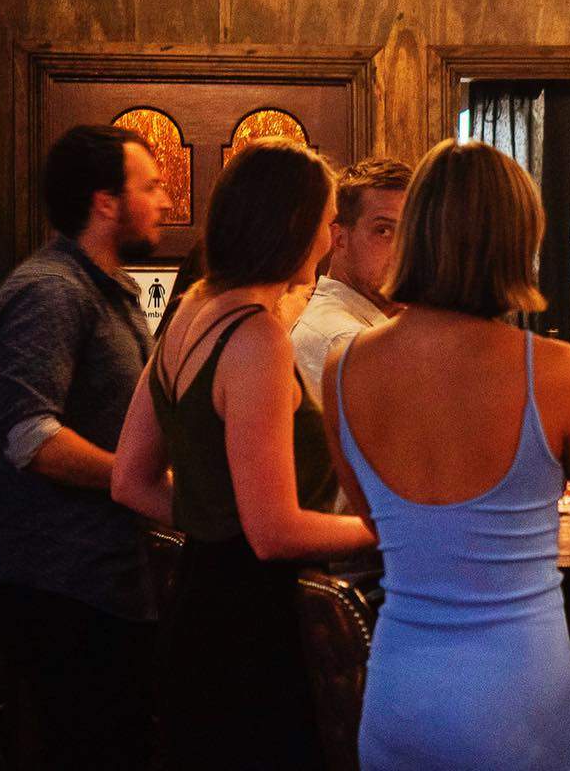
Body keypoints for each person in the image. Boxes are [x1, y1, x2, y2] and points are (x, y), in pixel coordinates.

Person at [323, 140, 570, 770]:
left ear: (414, 232)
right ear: (519, 242)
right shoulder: (557, 372)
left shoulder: (342, 369)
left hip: (399, 687)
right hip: (520, 691)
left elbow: (373, 519)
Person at [112, 137, 375, 770]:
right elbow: (274, 532)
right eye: (326, 218)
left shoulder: (188, 315)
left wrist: (212, 524)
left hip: (198, 615)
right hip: (254, 635)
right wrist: (384, 527)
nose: (331, 233)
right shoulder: (257, 338)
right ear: (291, 226)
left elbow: (129, 481)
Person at [0, 125, 171, 770]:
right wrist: (141, 483)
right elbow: (30, 436)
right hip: (59, 584)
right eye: (151, 186)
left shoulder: (104, 288)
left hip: (106, 579)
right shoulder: (51, 290)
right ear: (106, 202)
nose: (166, 200)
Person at [291, 157, 412, 403]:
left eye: (412, 231)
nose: (404, 249)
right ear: (339, 238)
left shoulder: (380, 326)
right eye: (384, 231)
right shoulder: (343, 339)